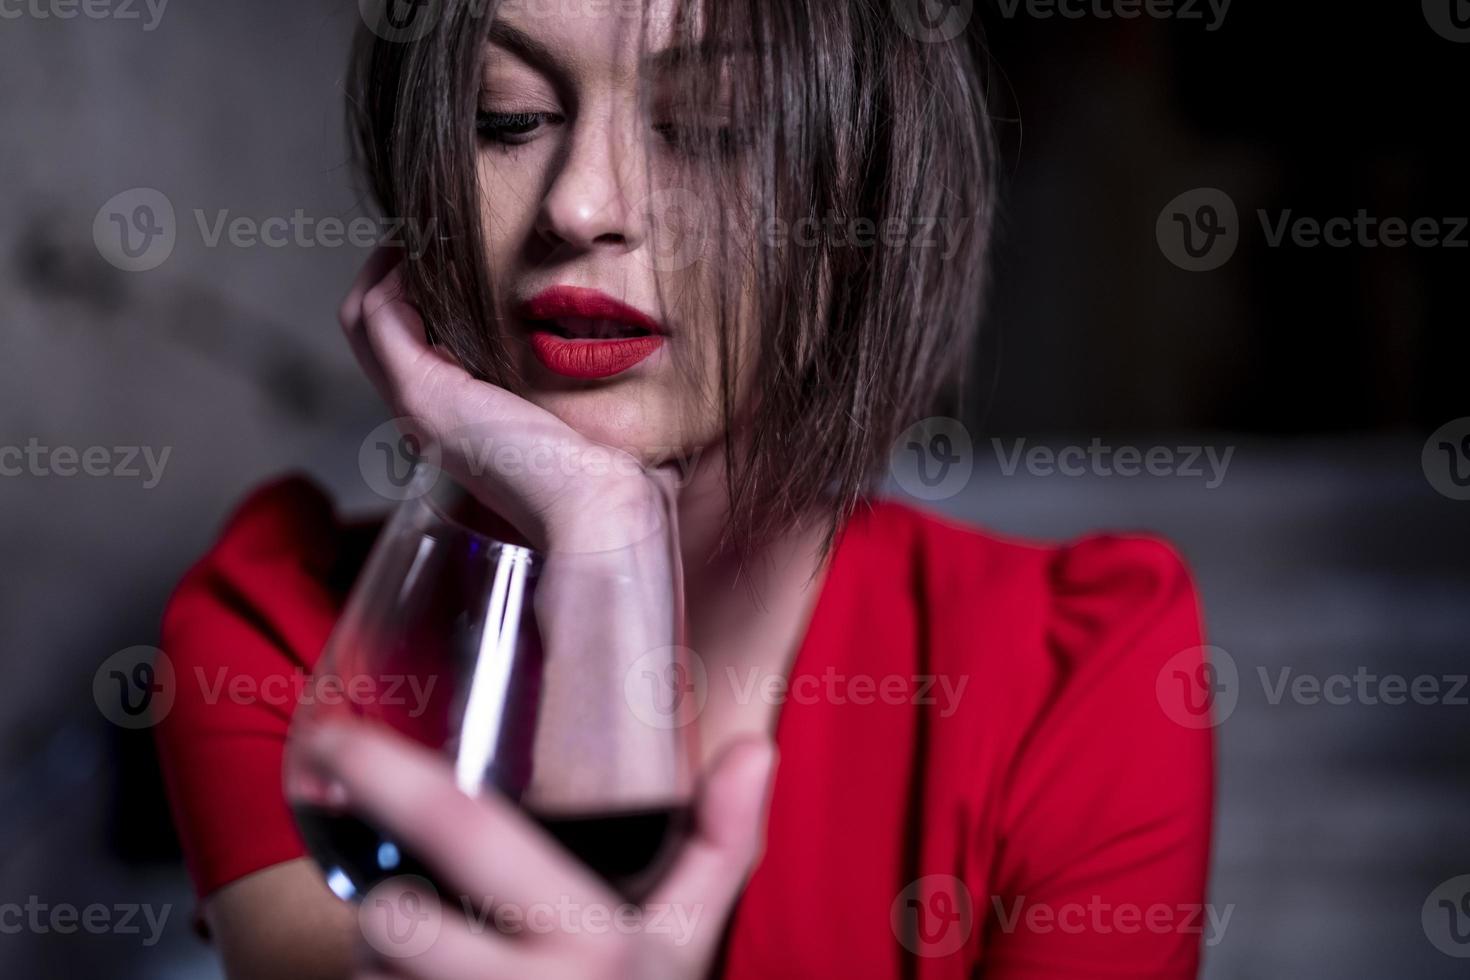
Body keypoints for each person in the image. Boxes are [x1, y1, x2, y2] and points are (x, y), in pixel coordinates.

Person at [155, 0, 1214, 976]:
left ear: (876, 199)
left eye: (712, 125)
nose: (580, 205)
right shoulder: (283, 639)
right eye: (507, 118)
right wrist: (600, 536)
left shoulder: (1077, 677)